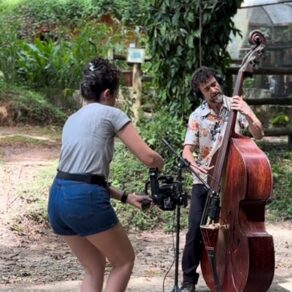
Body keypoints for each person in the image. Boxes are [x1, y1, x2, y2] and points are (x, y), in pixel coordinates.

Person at [47, 57, 164, 292]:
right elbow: (148, 158)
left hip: (58, 199)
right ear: (108, 93)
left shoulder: (71, 120)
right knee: (124, 261)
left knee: (94, 266)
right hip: (83, 200)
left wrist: (125, 197)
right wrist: (161, 162)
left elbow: (80, 176)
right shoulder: (111, 114)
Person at [180, 67, 263, 292]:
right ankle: (188, 281)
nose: (213, 89)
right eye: (207, 89)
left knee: (231, 230)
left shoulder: (235, 106)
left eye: (214, 84)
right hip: (205, 179)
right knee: (195, 230)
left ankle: (234, 273)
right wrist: (191, 161)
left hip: (234, 181)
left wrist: (248, 112)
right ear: (201, 93)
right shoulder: (197, 116)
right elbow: (187, 150)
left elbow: (258, 134)